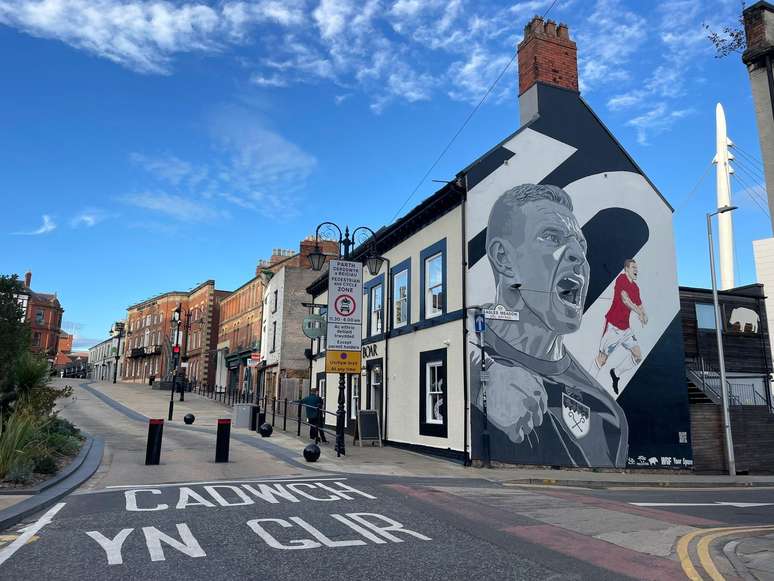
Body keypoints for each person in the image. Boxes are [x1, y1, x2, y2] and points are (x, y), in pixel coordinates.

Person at [473, 183, 628, 468]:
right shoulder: (472, 341)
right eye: (551, 237)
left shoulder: (607, 414)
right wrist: (481, 378)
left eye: (581, 245)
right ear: (504, 258)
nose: (578, 256)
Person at [595, 259, 647, 394]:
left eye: (637, 267)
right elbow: (625, 299)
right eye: (633, 267)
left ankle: (616, 373)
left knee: (638, 356)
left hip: (625, 329)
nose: (636, 270)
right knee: (602, 359)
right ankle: (587, 388)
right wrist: (638, 312)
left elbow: (639, 304)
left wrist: (644, 315)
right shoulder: (621, 279)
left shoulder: (635, 288)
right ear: (626, 269)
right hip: (613, 326)